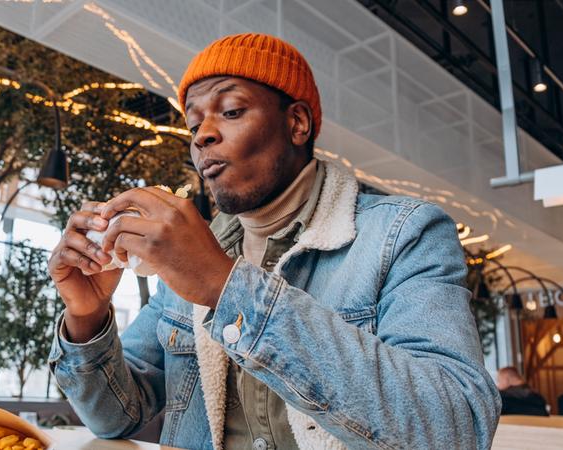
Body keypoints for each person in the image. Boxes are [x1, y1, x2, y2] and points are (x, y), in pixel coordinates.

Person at [47, 33, 500, 449]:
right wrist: (87, 316)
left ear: (297, 123)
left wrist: (225, 286)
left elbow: (456, 426)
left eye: (230, 111)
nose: (202, 135)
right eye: (193, 125)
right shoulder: (188, 257)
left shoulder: (405, 234)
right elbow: (116, 418)